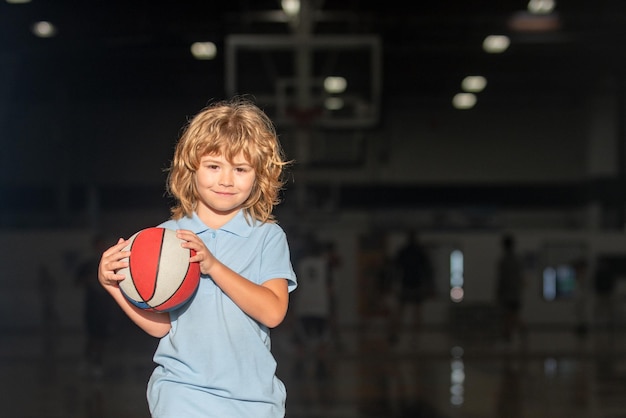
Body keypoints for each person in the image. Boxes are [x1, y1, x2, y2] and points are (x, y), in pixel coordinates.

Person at [98, 97, 298, 418]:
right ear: (190, 168)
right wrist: (113, 285)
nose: (226, 180)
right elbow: (161, 328)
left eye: (241, 169)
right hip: (182, 392)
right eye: (214, 166)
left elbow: (273, 312)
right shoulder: (163, 239)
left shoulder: (266, 236)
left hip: (253, 399)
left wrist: (213, 266)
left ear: (259, 175)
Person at [292, 237, 333, 379]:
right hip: (321, 305)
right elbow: (329, 287)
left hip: (304, 305)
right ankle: (320, 368)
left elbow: (296, 286)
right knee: (322, 338)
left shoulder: (301, 264)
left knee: (301, 340)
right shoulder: (324, 264)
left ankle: (299, 368)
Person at [75, 234, 113, 378]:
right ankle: (86, 361)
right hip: (91, 305)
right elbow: (76, 283)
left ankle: (98, 363)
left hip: (105, 305)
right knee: (91, 336)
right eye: (99, 245)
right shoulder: (87, 265)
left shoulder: (110, 263)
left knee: (102, 337)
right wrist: (89, 279)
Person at [388, 229, 434, 347]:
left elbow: (395, 268)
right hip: (416, 284)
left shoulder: (403, 251)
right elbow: (427, 270)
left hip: (406, 284)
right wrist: (429, 285)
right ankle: (415, 338)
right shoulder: (419, 251)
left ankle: (396, 334)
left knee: (401, 311)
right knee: (416, 312)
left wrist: (394, 284)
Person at [495, 233, 526, 343]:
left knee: (509, 316)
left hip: (507, 294)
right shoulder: (517, 260)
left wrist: (498, 293)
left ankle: (511, 334)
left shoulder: (504, 261)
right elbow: (521, 278)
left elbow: (501, 280)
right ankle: (508, 335)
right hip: (515, 293)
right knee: (511, 315)